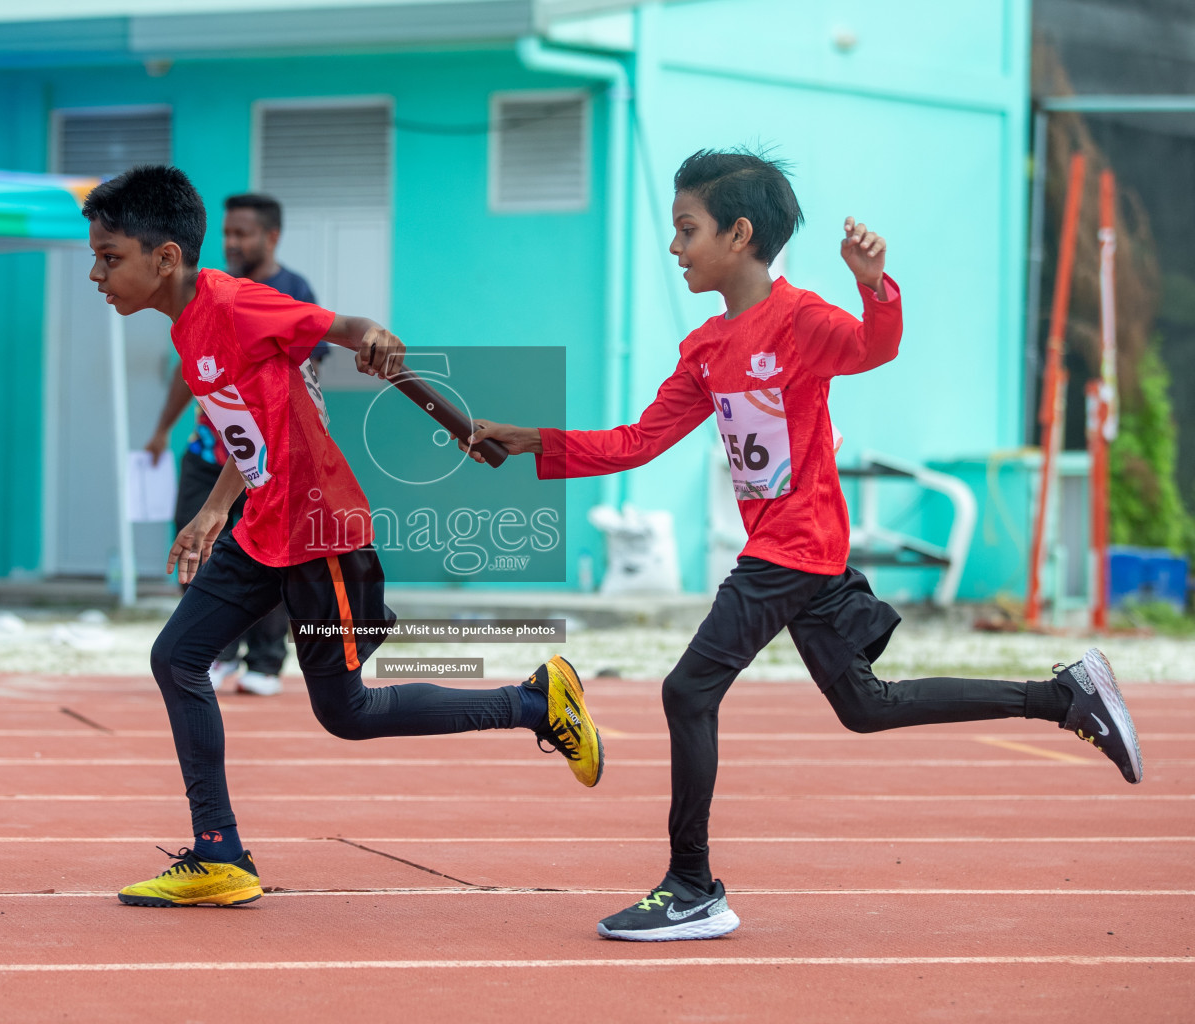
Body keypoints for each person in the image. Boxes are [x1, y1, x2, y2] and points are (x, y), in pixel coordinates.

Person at [463, 148, 1144, 942]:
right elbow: (637, 442)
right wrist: (532, 444)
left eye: (687, 230)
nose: (675, 248)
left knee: (686, 691)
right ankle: (1063, 696)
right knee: (864, 706)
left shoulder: (802, 321)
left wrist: (872, 283)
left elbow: (874, 346)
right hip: (795, 550)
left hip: (795, 543)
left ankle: (691, 886)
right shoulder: (707, 350)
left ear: (740, 235)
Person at [84, 165, 605, 909]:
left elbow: (348, 330)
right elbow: (253, 429)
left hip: (320, 531)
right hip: (264, 526)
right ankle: (219, 854)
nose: (98, 276)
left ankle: (536, 703)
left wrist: (378, 338)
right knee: (177, 657)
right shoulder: (188, 325)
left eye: (110, 258)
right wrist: (211, 513)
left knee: (346, 713)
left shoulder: (236, 302)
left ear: (165, 257)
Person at [143, 194, 324, 697]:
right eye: (227, 233)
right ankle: (214, 651)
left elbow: (303, 381)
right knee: (196, 545)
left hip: (264, 461)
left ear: (271, 237)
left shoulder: (288, 291)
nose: (232, 242)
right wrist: (162, 428)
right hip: (209, 451)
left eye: (241, 233)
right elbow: (191, 372)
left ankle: (265, 661)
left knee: (267, 557)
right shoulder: (204, 295)